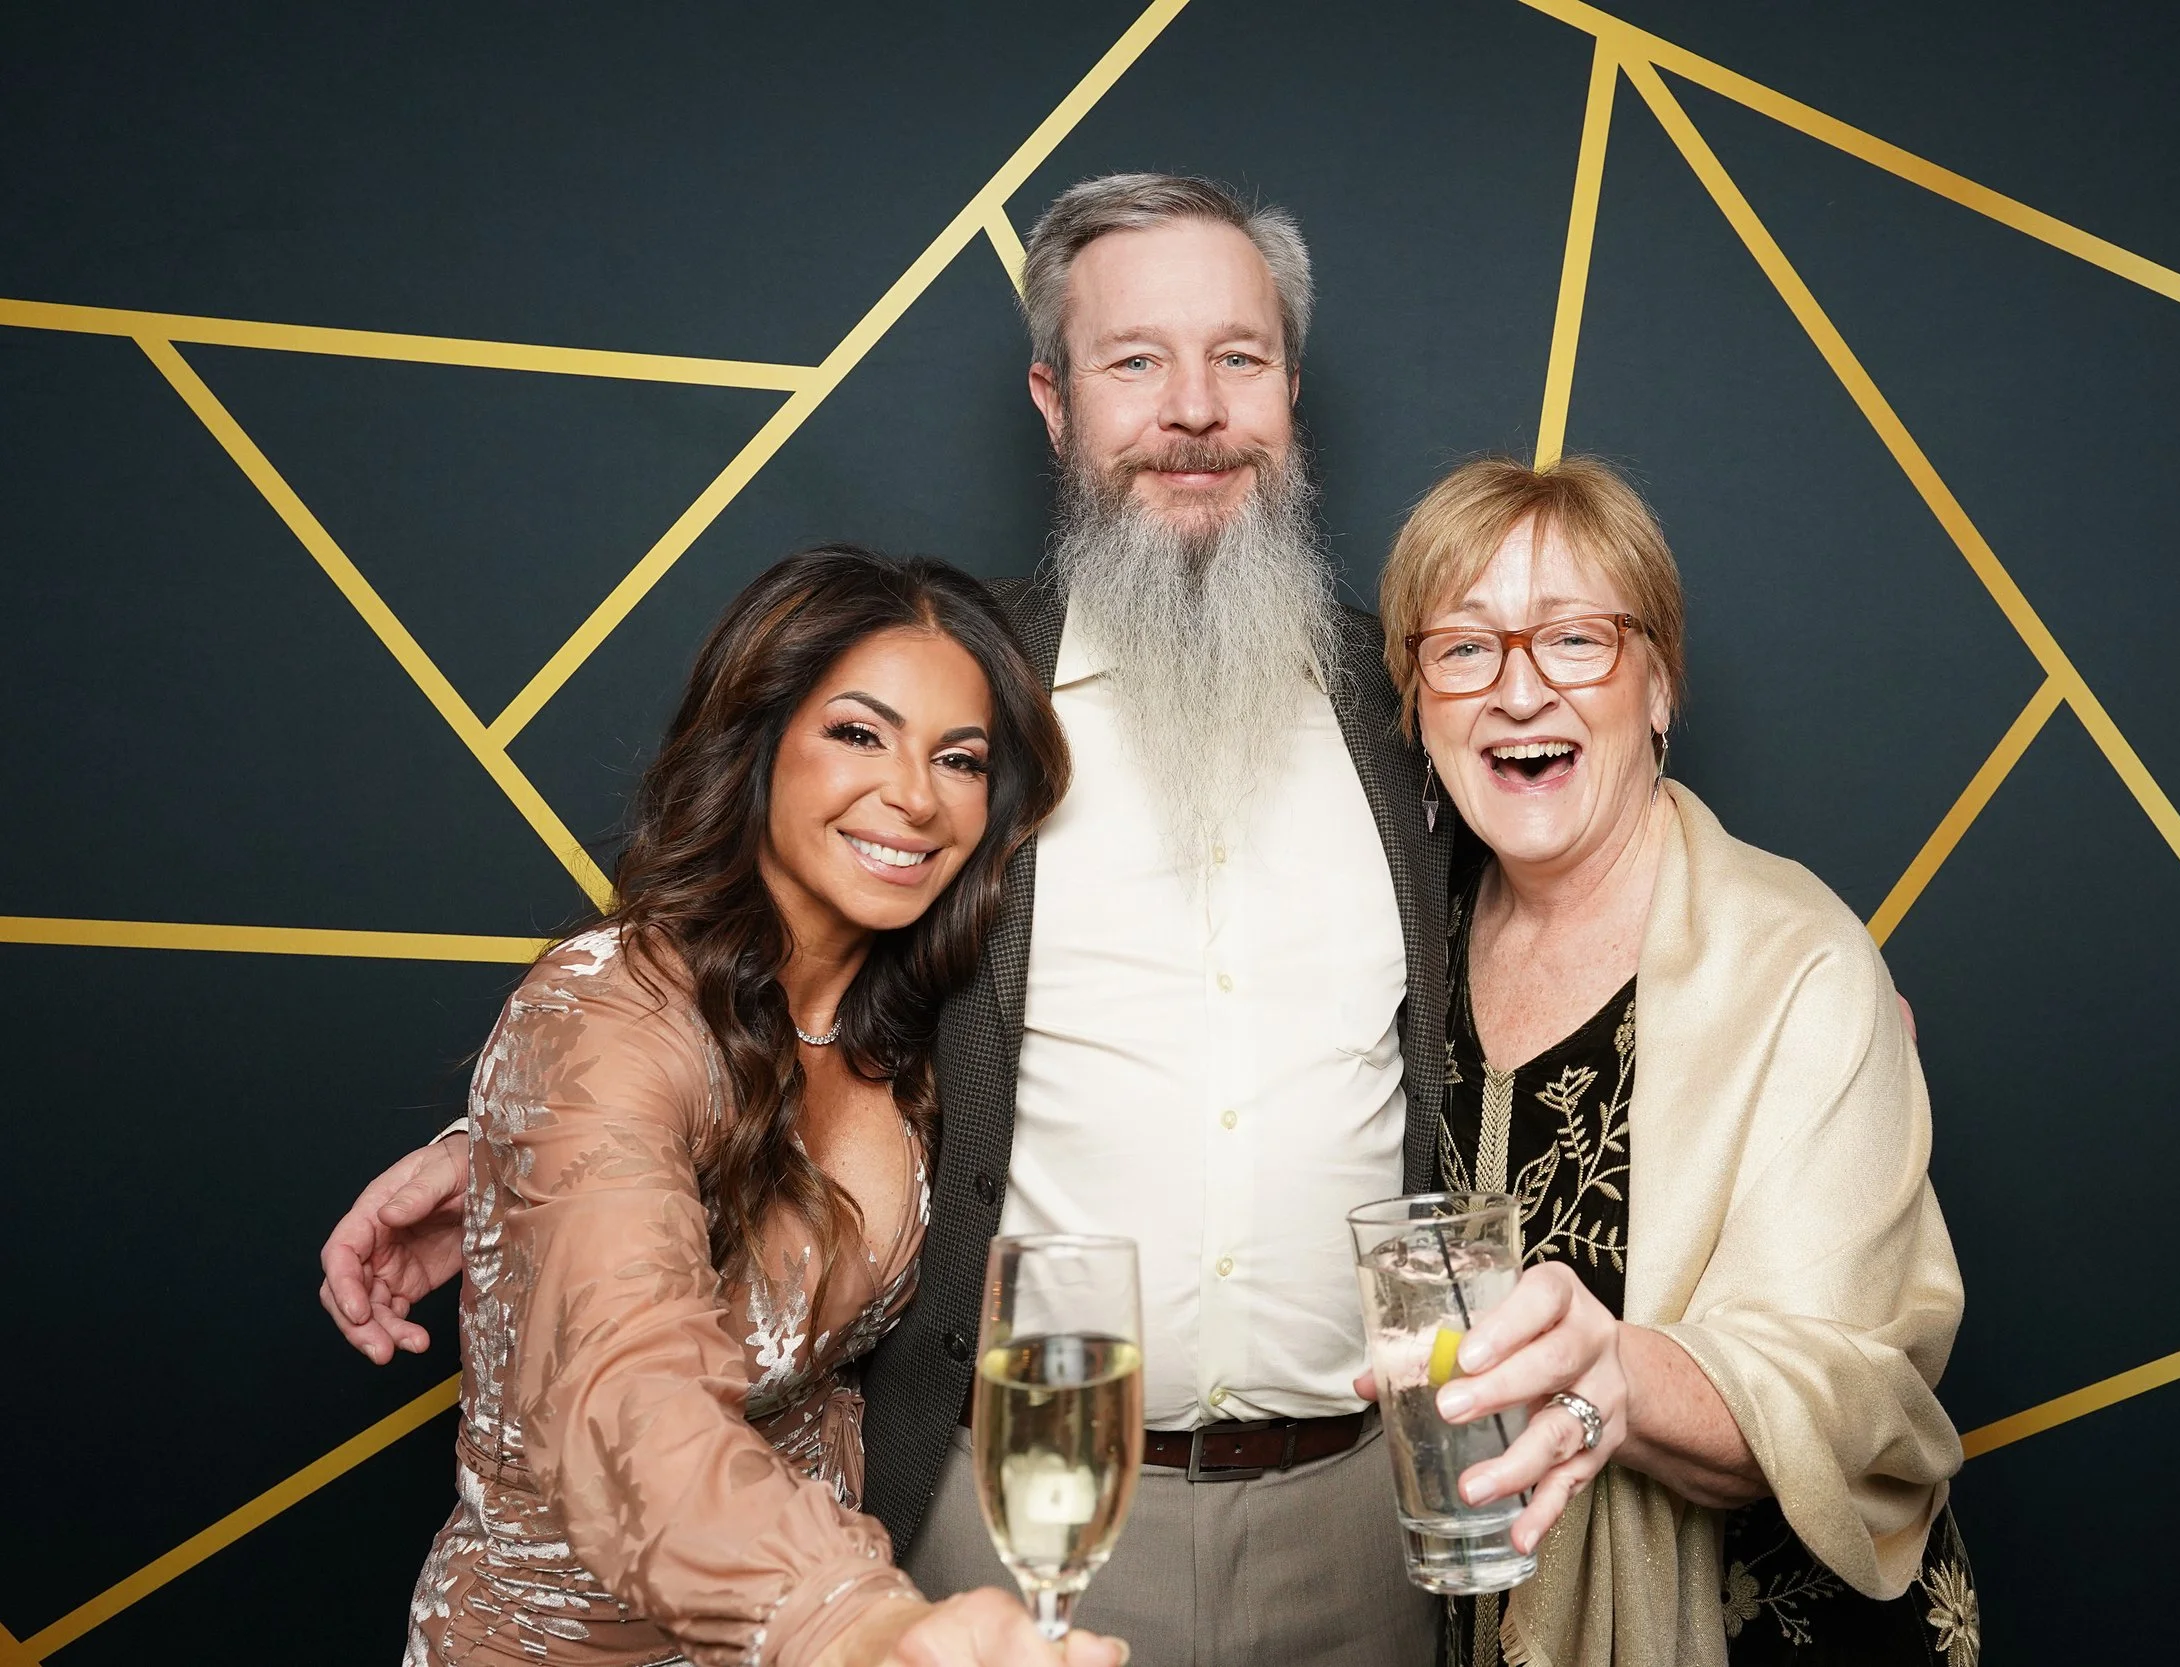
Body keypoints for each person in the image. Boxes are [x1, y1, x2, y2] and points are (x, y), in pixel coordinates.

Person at [325, 175, 1449, 1667]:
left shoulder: (1423, 703)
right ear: (1054, 400)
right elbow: (728, 971)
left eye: (1237, 357)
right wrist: (525, 1142)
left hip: (1357, 1516)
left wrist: (1754, 969)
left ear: (1290, 390)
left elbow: (1590, 824)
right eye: (1134, 361)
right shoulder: (962, 689)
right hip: (1019, 1508)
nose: (1194, 408)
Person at [396, 545, 1124, 1667]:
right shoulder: (607, 1011)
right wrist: (858, 1621)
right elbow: (625, 1395)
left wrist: (484, 1156)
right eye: (858, 732)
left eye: (961, 758)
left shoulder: (918, 1024)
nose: (915, 795)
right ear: (757, 740)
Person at [1369, 455, 1976, 1667]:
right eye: (1465, 648)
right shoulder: (1393, 946)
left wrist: (1622, 1376)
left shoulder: (1797, 957)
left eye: (1576, 638)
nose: (1518, 690)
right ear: (1417, 701)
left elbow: (1850, 1388)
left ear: (1657, 685)